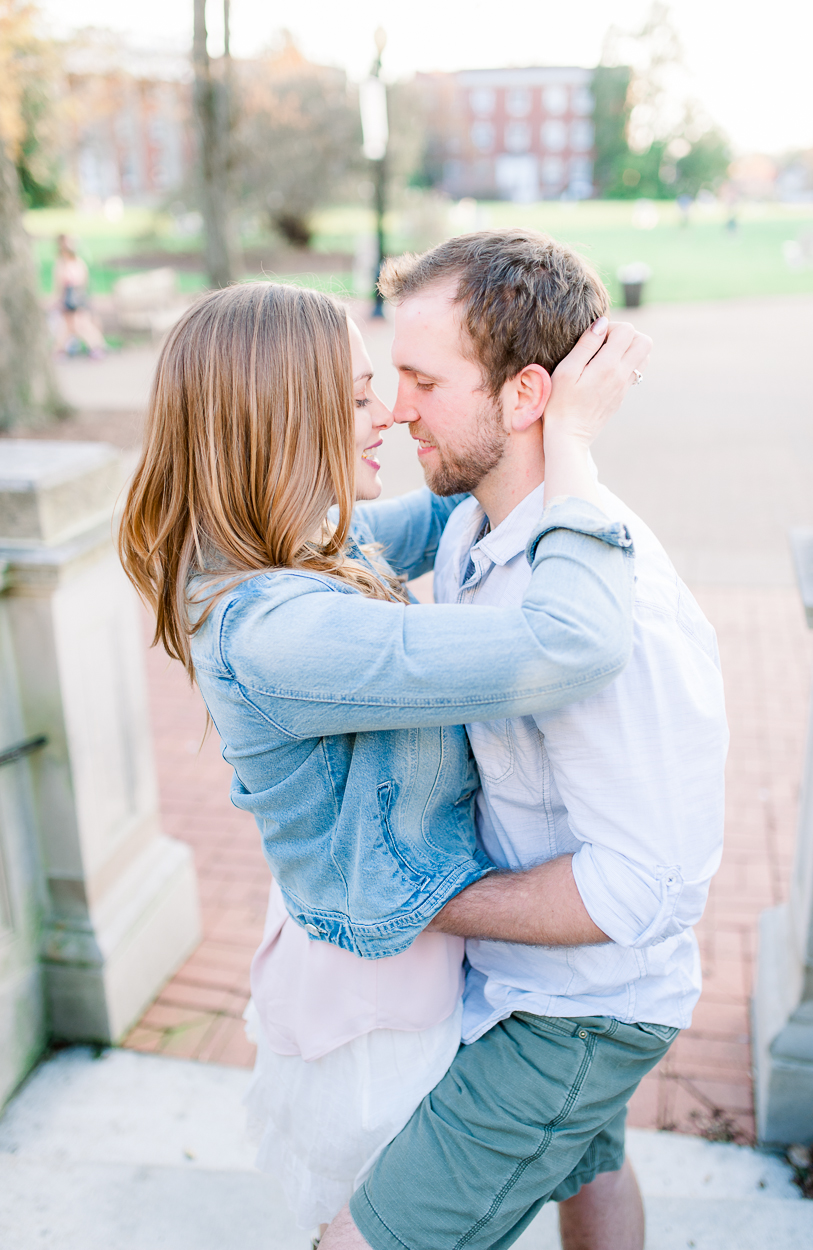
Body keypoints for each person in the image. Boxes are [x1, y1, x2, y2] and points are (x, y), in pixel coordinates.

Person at [117, 280, 648, 1233]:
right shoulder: (282, 630)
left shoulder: (296, 541)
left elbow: (453, 506)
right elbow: (572, 642)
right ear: (284, 418)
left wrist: (518, 404)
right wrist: (568, 445)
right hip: (376, 1008)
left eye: (395, 386)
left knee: (591, 1157)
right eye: (363, 393)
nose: (393, 411)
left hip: (424, 958)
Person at [320, 232, 728, 1250]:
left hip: (580, 1014)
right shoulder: (475, 519)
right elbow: (326, 533)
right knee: (593, 1171)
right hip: (528, 985)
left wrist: (430, 901)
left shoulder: (610, 608)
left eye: (422, 380)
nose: (395, 406)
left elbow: (647, 883)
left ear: (525, 396)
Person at [53, 234, 106, 358]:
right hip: (70, 298)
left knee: (78, 325)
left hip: (75, 298)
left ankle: (96, 345)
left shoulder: (75, 263)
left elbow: (77, 282)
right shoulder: (64, 263)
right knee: (69, 326)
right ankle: (59, 350)